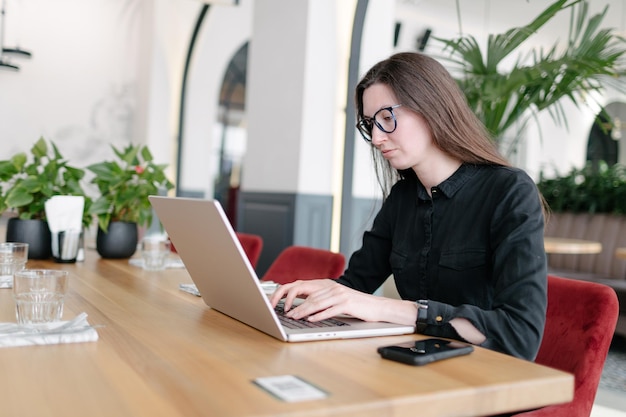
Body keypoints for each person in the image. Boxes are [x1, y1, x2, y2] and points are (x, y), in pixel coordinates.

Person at [269, 52, 547, 360]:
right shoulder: (402, 198)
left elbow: (520, 335)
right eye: (370, 124)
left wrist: (390, 308)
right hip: (413, 364)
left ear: (431, 108)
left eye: (387, 119)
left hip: (481, 376)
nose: (376, 138)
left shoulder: (508, 190)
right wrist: (311, 293)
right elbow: (356, 286)